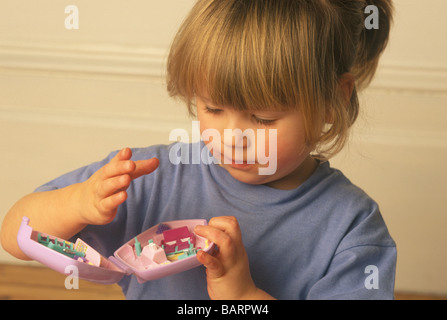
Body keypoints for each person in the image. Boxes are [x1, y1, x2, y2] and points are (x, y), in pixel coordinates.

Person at [1, 0, 396, 299]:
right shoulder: (152, 176)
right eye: (213, 108)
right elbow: (14, 234)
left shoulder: (351, 228)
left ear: (333, 100)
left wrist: (242, 296)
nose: (233, 137)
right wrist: (77, 204)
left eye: (262, 118)